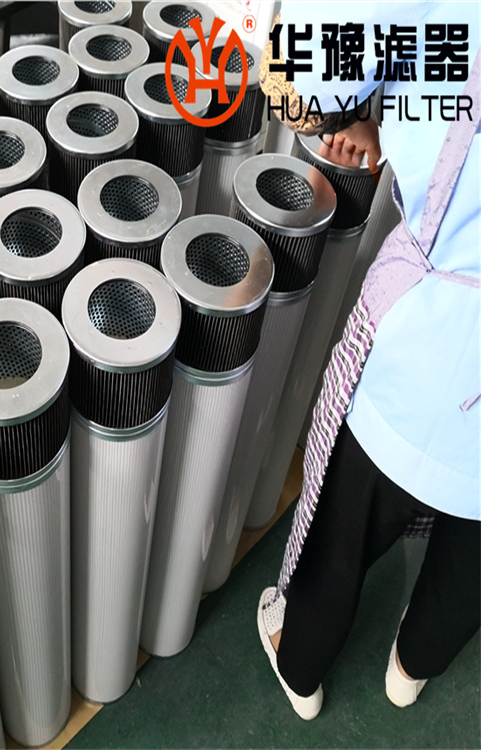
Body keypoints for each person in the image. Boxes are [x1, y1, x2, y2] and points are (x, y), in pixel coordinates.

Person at [256, 2, 480, 719]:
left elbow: (291, 80)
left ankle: (300, 665)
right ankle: (413, 667)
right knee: (472, 560)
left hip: (431, 341)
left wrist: (359, 113)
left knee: (345, 525)